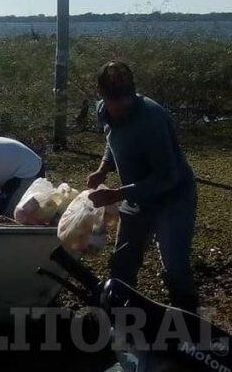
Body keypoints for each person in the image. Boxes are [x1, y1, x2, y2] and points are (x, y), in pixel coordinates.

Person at [87, 61, 198, 313]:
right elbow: (112, 140)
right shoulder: (103, 111)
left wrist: (116, 193)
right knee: (122, 262)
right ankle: (121, 319)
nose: (119, 106)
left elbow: (166, 177)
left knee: (175, 265)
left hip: (173, 197)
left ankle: (190, 322)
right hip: (136, 197)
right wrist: (103, 168)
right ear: (102, 95)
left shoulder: (152, 119)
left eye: (125, 98)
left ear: (133, 93)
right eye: (113, 100)